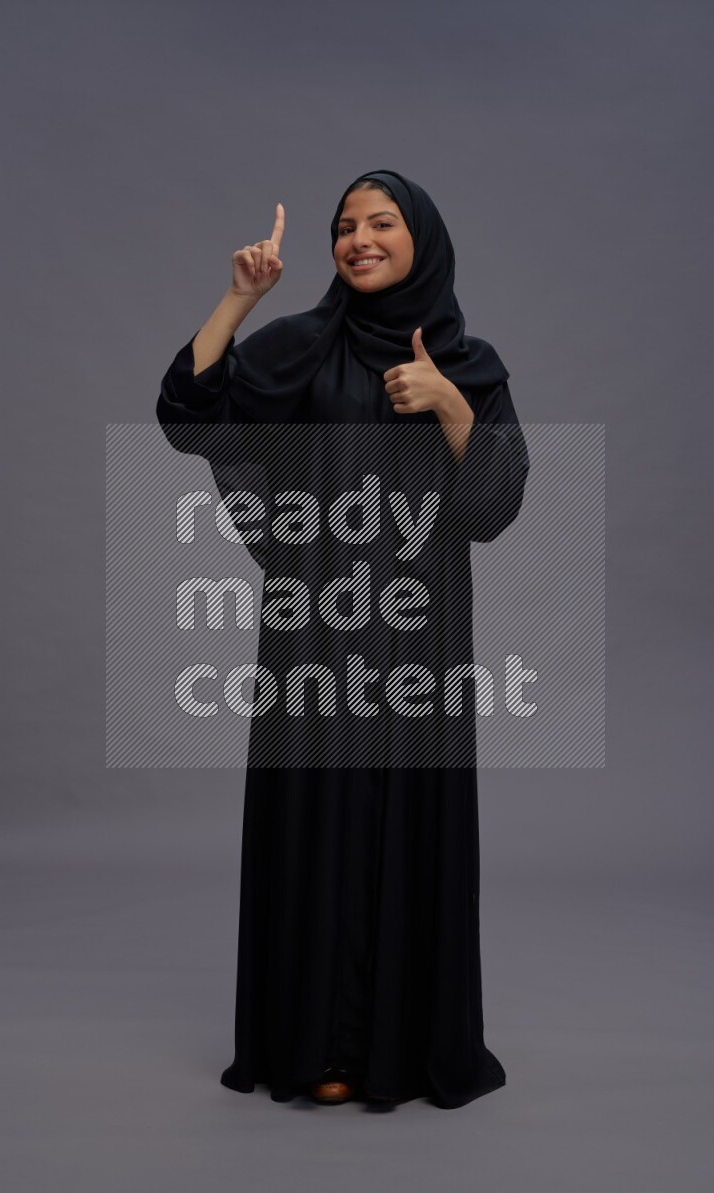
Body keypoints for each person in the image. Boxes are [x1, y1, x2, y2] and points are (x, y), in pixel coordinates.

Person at [156, 169, 529, 1108]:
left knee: (407, 821)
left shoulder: (469, 363)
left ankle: (399, 1049)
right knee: (315, 823)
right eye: (343, 227)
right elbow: (189, 415)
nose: (359, 239)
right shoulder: (297, 348)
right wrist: (240, 298)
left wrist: (448, 404)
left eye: (382, 222)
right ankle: (317, 1042)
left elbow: (492, 506)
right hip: (315, 631)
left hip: (421, 638)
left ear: (424, 238)